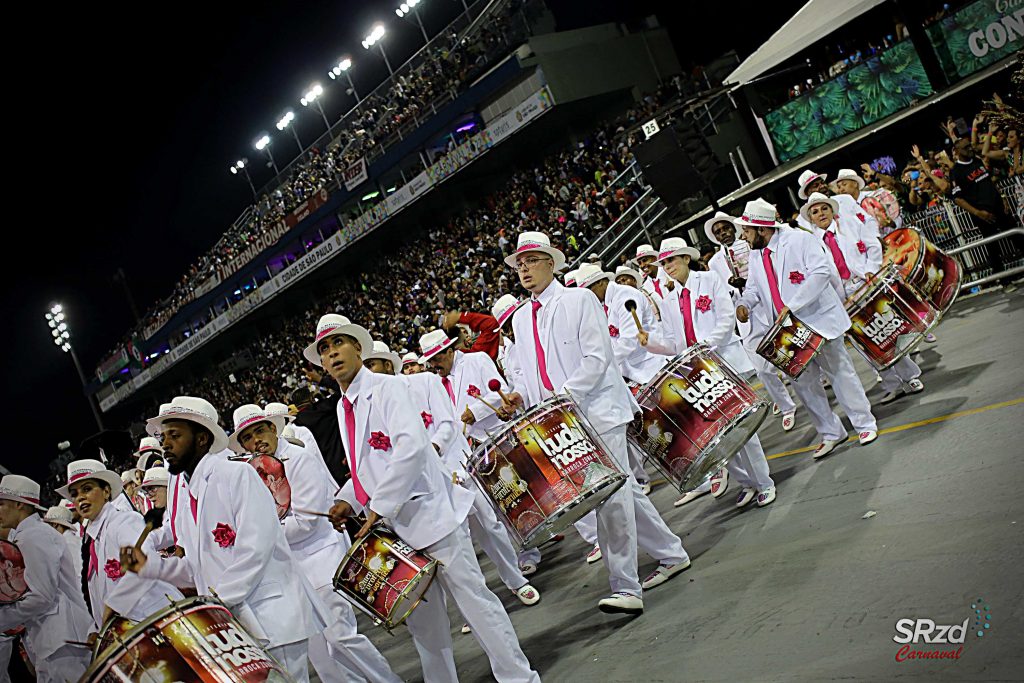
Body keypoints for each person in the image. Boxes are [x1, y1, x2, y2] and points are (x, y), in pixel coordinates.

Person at [308, 314, 540, 683]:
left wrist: (377, 508)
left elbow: (411, 448)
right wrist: (349, 500)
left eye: (338, 344)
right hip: (397, 532)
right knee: (425, 629)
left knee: (476, 605)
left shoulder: (388, 388)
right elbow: (366, 466)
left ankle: (520, 678)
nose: (333, 354)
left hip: (433, 516)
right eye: (325, 349)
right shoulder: (342, 407)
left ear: (358, 348)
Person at [500, 232, 692, 615]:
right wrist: (521, 395)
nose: (523, 268)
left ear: (551, 263)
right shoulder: (522, 319)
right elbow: (532, 373)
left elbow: (597, 357)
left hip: (598, 411)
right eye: (519, 263)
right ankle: (672, 553)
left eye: (531, 260)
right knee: (622, 492)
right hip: (563, 422)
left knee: (609, 499)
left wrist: (562, 398)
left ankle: (626, 586)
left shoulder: (579, 299)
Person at [120, 397, 326, 682]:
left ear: (202, 438)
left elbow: (255, 549)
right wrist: (151, 567)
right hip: (237, 624)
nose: (165, 444)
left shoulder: (237, 474)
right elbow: (197, 567)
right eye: (163, 436)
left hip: (272, 615)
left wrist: (216, 603)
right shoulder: (191, 489)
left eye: (175, 435)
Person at [363, 341, 541, 628]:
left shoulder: (425, 381)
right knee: (458, 550)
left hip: (455, 463)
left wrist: (435, 451)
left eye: (371, 364)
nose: (367, 371)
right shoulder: (368, 408)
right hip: (425, 488)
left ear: (387, 364)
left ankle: (515, 579)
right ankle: (477, 605)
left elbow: (448, 423)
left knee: (489, 525)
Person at [228, 404, 401, 683]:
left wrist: (261, 536)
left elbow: (306, 523)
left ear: (273, 428)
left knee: (341, 637)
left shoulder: (298, 458)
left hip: (321, 558)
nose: (256, 440)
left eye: (260, 430)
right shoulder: (251, 473)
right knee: (318, 651)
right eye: (247, 437)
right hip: (292, 569)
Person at [734, 198, 879, 459]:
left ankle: (864, 424)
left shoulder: (799, 239)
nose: (743, 235)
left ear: (761, 228)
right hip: (786, 332)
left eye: (746, 230)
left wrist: (793, 304)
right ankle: (831, 433)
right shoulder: (756, 254)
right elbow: (754, 287)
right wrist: (745, 303)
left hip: (818, 321)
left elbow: (821, 272)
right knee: (804, 384)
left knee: (840, 373)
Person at [646, 238, 777, 508]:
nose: (667, 266)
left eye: (672, 260)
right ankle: (746, 482)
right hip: (696, 374)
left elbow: (726, 320)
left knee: (740, 427)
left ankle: (764, 482)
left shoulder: (709, 279)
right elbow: (673, 340)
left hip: (721, 363)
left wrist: (704, 349)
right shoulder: (670, 298)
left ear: (685, 258)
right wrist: (651, 343)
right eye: (664, 262)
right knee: (717, 436)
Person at [418, 329, 544, 577]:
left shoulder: (476, 360)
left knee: (511, 499)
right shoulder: (434, 383)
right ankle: (516, 556)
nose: (434, 365)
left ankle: (529, 551)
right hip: (464, 451)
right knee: (492, 510)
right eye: (430, 361)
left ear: (450, 350)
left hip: (491, 440)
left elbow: (502, 392)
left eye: (437, 359)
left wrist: (476, 411)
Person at [801, 192, 925, 403]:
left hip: (864, 284)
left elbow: (873, 245)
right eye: (815, 211)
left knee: (885, 332)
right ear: (811, 218)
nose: (820, 213)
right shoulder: (810, 242)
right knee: (864, 341)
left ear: (832, 211)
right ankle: (891, 384)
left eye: (824, 208)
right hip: (840, 297)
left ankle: (909, 376)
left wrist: (870, 269)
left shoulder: (849, 226)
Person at [54, 459, 183, 632]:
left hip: (165, 620)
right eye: (74, 494)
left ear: (106, 491)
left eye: (87, 489)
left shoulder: (123, 521)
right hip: (142, 630)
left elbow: (145, 565)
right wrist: (98, 629)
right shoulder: (95, 540)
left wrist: (111, 608)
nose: (80, 497)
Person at [705, 210, 798, 431]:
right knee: (762, 369)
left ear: (734, 228)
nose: (723, 233)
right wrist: (731, 287)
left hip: (769, 307)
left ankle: (809, 389)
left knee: (791, 355)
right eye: (718, 232)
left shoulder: (752, 246)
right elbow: (720, 293)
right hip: (745, 314)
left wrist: (746, 281)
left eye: (726, 228)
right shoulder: (715, 262)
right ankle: (786, 406)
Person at [0, 475, 92, 683]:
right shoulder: (30, 534)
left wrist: (3, 618)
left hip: (60, 636)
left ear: (19, 504)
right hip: (54, 636)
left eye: (2, 504)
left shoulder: (33, 535)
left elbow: (41, 596)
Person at [950, 136, 1022, 291]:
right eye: (965, 148)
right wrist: (977, 213)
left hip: (999, 207)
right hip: (983, 214)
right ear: (957, 151)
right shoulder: (956, 172)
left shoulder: (976, 161)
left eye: (970, 146)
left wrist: (1003, 199)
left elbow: (990, 182)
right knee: (993, 248)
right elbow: (957, 199)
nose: (970, 149)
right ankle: (1004, 281)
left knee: (1017, 237)